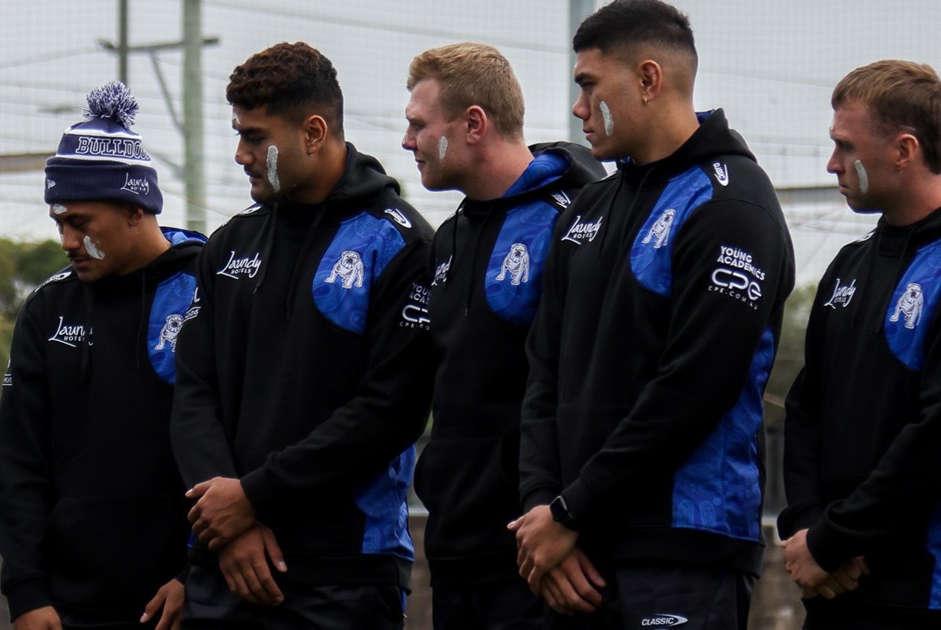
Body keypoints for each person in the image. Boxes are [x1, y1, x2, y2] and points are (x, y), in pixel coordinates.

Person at [511, 1, 795, 627]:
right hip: (571, 549)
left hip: (682, 551)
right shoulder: (585, 212)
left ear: (648, 79)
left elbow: (697, 385)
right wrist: (543, 511)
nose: (579, 107)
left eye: (589, 85)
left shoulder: (732, 204)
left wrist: (571, 509)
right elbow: (543, 374)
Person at [169, 41, 436, 628]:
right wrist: (228, 520)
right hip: (225, 567)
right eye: (238, 133)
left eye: (255, 137)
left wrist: (255, 497)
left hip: (345, 573)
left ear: (314, 133)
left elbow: (391, 411)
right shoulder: (228, 245)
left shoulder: (400, 244)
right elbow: (193, 393)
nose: (240, 153)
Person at [401, 42, 604, 630]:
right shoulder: (449, 237)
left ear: (473, 124)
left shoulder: (576, 219)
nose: (407, 141)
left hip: (543, 549)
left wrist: (566, 518)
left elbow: (588, 385)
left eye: (418, 124)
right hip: (455, 548)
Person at [0, 81, 203, 630]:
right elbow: (19, 461)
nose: (66, 240)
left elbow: (242, 441)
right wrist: (26, 590)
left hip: (180, 602)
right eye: (59, 223)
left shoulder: (210, 289)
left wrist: (198, 573)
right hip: (67, 608)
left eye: (80, 223)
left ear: (136, 209)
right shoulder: (47, 307)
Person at [778, 60, 941, 629]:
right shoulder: (849, 265)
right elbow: (804, 409)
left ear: (904, 150)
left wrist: (833, 538)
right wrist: (805, 529)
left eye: (845, 147)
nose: (831, 164)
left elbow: (933, 438)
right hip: (831, 586)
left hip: (918, 588)